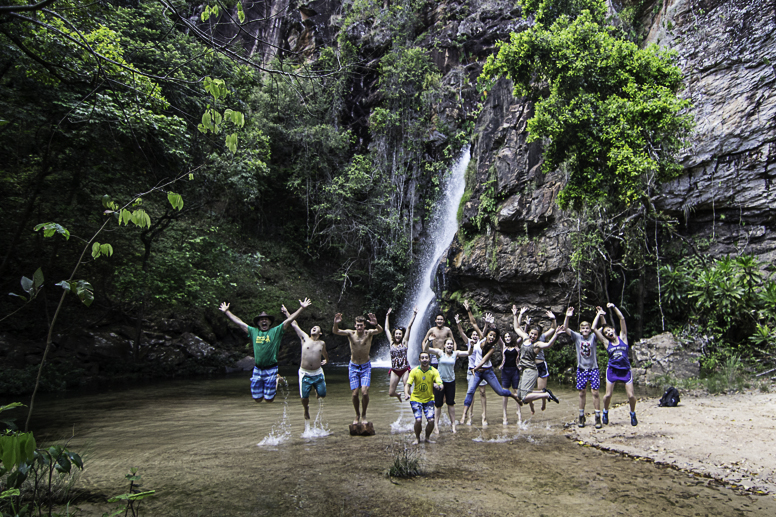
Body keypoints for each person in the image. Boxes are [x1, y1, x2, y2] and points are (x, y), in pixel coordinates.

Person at [219, 298, 311, 403]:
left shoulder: (275, 331)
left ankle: (276, 379)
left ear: (269, 322)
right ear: (258, 323)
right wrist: (227, 312)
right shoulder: (253, 332)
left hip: (271, 369)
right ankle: (274, 379)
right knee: (257, 399)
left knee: (269, 400)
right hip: (258, 369)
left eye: (266, 319)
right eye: (261, 319)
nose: (264, 321)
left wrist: (302, 308)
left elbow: (289, 321)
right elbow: (240, 323)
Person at [462, 326, 524, 424]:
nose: (492, 338)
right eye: (490, 335)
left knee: (500, 391)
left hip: (487, 372)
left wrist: (475, 368)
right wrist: (468, 310)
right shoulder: (479, 340)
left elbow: (483, 360)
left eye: (494, 336)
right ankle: (464, 414)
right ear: (486, 335)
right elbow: (473, 323)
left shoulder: (492, 348)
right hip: (478, 372)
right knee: (470, 391)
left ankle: (513, 395)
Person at [333, 312, 383, 425]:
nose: (359, 327)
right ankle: (357, 414)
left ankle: (364, 414)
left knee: (365, 393)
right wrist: (335, 323)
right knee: (355, 393)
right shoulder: (350, 334)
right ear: (355, 325)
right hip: (353, 366)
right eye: (357, 325)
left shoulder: (369, 333)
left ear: (364, 325)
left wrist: (376, 324)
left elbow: (380, 330)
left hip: (366, 366)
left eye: (361, 325)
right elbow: (336, 331)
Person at [593, 303, 638, 426]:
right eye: (606, 333)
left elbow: (622, 318)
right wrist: (599, 314)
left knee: (631, 395)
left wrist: (613, 307)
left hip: (625, 370)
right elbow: (594, 329)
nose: (608, 333)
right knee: (608, 395)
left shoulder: (623, 337)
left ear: (613, 330)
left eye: (609, 330)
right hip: (612, 370)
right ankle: (605, 411)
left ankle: (633, 413)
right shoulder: (606, 343)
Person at [281, 306, 328, 421]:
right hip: (305, 373)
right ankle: (306, 409)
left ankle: (317, 390)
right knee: (304, 397)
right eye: (313, 327)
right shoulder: (305, 338)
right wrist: (286, 312)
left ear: (320, 333)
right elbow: (294, 324)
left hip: (317, 372)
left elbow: (325, 353)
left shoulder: (322, 343)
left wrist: (327, 360)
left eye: (316, 328)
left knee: (322, 394)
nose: (313, 328)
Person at [513, 306, 563, 408]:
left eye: (535, 335)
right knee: (522, 394)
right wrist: (516, 315)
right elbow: (517, 328)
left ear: (538, 335)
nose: (532, 336)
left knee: (537, 390)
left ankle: (545, 397)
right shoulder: (525, 337)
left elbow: (549, 340)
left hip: (536, 366)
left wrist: (553, 320)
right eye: (531, 333)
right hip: (526, 368)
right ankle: (539, 399)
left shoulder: (539, 342)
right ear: (529, 332)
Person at [563, 306, 603, 428]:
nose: (585, 330)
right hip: (581, 369)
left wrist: (600, 315)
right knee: (582, 393)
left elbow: (603, 327)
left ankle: (597, 417)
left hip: (593, 369)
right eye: (583, 328)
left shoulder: (594, 337)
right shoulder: (577, 337)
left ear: (590, 329)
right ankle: (581, 416)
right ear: (580, 330)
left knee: (595, 392)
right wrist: (567, 316)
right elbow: (565, 328)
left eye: (587, 328)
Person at [427, 337, 470, 433]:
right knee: (438, 404)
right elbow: (426, 350)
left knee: (450, 403)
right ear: (444, 345)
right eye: (448, 344)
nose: (449, 345)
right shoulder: (439, 353)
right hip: (440, 381)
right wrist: (429, 341)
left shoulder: (455, 354)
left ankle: (453, 425)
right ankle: (436, 426)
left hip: (451, 381)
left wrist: (472, 345)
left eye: (451, 344)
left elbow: (468, 353)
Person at [404, 352, 443, 444]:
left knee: (431, 421)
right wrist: (406, 393)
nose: (424, 359)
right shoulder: (414, 371)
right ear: (419, 360)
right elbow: (407, 384)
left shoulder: (434, 371)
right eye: (422, 358)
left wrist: (439, 387)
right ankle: (417, 438)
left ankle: (427, 437)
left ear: (429, 359)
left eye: (426, 358)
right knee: (418, 420)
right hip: (416, 399)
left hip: (429, 399)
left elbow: (440, 383)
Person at [384, 306, 418, 402]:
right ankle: (398, 395)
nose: (398, 335)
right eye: (396, 334)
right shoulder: (391, 343)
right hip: (394, 370)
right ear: (394, 335)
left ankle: (409, 397)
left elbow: (409, 327)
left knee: (406, 387)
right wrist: (387, 316)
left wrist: (414, 314)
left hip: (405, 369)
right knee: (391, 393)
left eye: (400, 334)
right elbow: (386, 329)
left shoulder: (405, 343)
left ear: (402, 335)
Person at [499, 330, 522, 425]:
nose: (507, 338)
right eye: (505, 337)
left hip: (515, 370)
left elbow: (523, 335)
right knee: (505, 392)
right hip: (505, 371)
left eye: (508, 337)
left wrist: (527, 326)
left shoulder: (516, 345)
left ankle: (519, 413)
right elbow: (498, 339)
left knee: (516, 392)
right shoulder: (503, 346)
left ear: (512, 337)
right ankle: (504, 414)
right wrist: (493, 326)